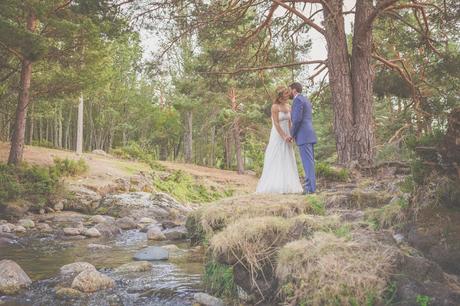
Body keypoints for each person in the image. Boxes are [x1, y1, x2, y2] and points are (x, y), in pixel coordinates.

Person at [256, 86, 303, 194]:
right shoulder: (274, 107)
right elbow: (276, 123)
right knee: (277, 156)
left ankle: (289, 185)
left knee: (287, 156)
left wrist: (291, 134)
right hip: (278, 134)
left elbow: (290, 121)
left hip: (288, 133)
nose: (288, 95)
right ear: (280, 96)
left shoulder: (288, 105)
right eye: (286, 94)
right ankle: (275, 184)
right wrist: (284, 136)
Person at [289, 82, 317, 194]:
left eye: (289, 89)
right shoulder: (305, 99)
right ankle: (310, 187)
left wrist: (291, 134)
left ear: (294, 90)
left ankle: (310, 189)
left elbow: (296, 120)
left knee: (308, 163)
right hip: (308, 134)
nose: (289, 92)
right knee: (309, 163)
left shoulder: (297, 100)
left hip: (303, 135)